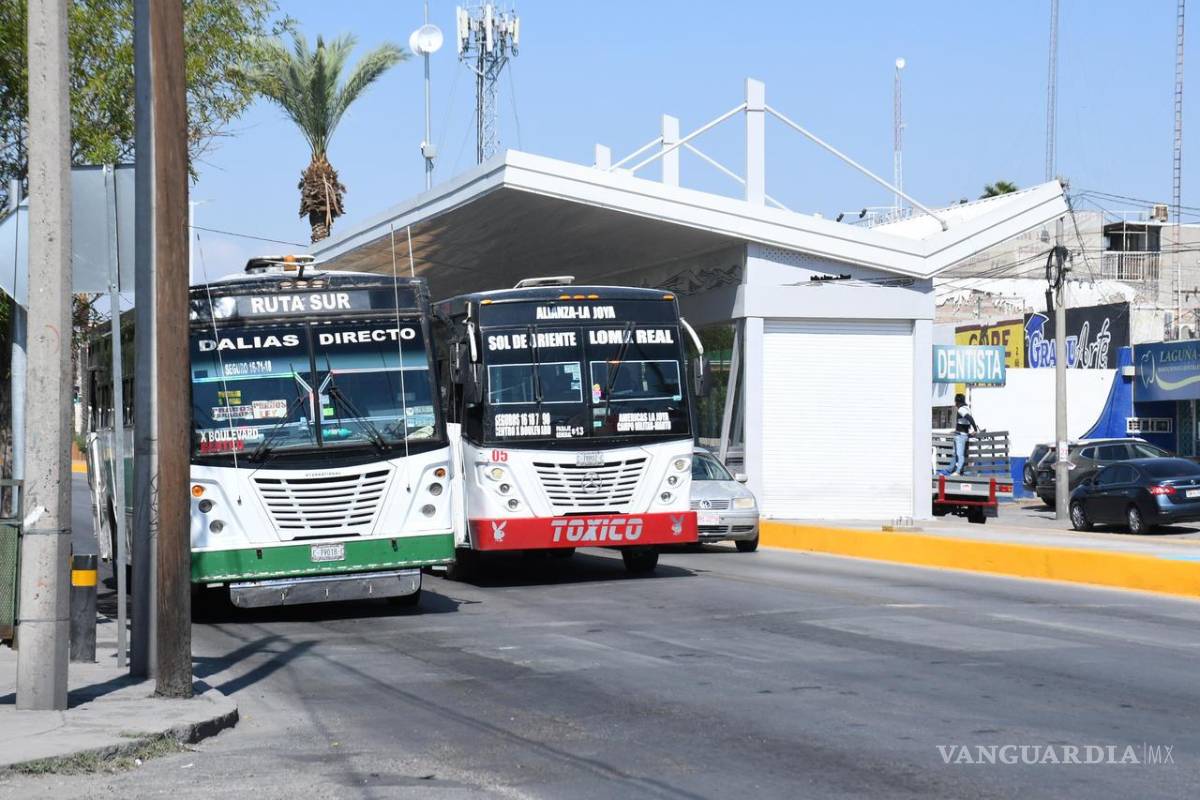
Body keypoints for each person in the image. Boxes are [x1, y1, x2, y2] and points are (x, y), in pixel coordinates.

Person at [944, 393, 980, 475]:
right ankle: (950, 469)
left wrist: (975, 429)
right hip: (961, 434)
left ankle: (958, 471)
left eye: (955, 402)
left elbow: (969, 418)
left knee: (959, 454)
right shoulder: (967, 408)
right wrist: (955, 431)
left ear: (958, 402)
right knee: (955, 453)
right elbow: (964, 423)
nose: (955, 404)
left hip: (961, 436)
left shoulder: (961, 410)